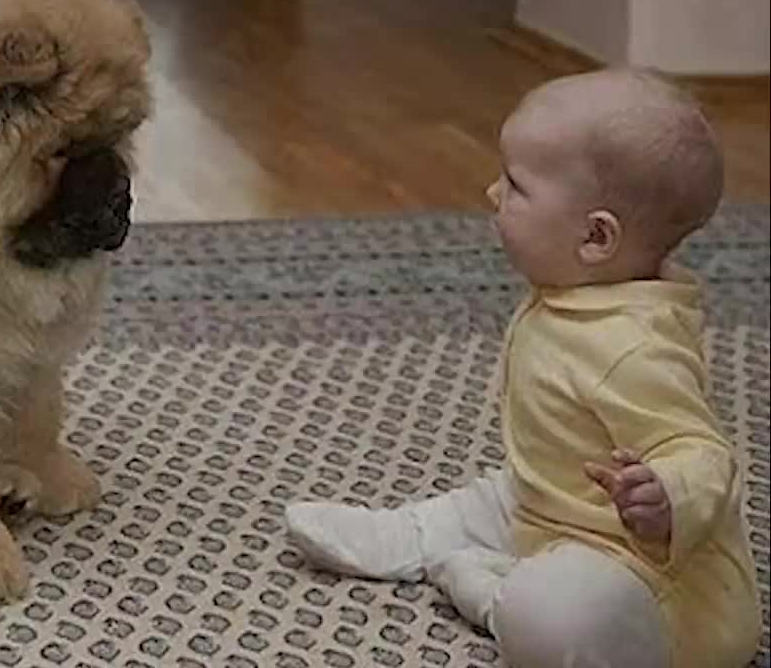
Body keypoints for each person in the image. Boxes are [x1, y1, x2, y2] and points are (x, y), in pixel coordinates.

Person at [286, 68, 760, 668]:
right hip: (559, 501)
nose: (492, 192)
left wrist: (668, 494)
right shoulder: (582, 289)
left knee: (554, 611)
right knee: (497, 495)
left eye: (515, 184)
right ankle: (411, 535)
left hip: (648, 581)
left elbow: (706, 452)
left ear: (594, 237)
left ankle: (491, 596)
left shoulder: (636, 349)